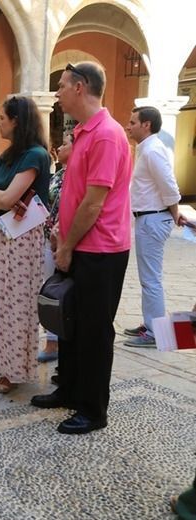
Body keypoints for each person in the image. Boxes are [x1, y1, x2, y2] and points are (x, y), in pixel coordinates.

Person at [31, 61, 132, 435]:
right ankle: (69, 389)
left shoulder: (106, 135)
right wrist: (61, 232)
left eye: (61, 85)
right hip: (77, 243)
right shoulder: (84, 133)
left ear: (80, 87)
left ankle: (92, 409)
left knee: (93, 329)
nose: (56, 93)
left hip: (101, 249)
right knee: (69, 320)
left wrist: (67, 245)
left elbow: (94, 202)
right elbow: (75, 194)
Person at [0, 96, 51, 394]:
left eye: (2, 118)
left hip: (21, 238)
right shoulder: (8, 154)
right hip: (1, 234)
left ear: (16, 121)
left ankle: (13, 371)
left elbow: (3, 198)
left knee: (16, 305)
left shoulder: (36, 155)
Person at [122, 105, 181, 348]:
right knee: (149, 278)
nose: (128, 127)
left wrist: (175, 214)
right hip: (148, 218)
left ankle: (156, 332)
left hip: (153, 218)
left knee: (151, 279)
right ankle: (150, 324)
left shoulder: (153, 150)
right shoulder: (147, 148)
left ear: (146, 125)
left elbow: (169, 185)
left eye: (133, 122)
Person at [38, 133, 73, 363]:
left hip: (67, 240)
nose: (59, 148)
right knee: (50, 288)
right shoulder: (59, 174)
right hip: (48, 237)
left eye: (65, 144)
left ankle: (61, 341)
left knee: (64, 291)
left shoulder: (78, 175)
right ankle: (52, 340)